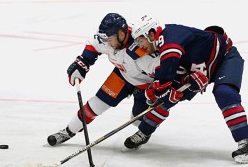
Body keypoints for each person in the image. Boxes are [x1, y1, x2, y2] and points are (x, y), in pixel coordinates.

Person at [124, 14, 248, 164]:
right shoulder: (160, 45)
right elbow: (173, 71)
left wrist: (160, 89)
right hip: (199, 68)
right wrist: (181, 83)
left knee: (225, 93)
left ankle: (246, 144)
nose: (139, 45)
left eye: (140, 40)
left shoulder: (169, 38)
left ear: (151, 34)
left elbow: (167, 71)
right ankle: (144, 132)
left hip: (225, 57)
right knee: (167, 99)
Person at [47, 13, 162, 149]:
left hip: (146, 85)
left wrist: (160, 87)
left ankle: (144, 132)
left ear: (121, 34)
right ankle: (68, 131)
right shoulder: (108, 40)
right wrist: (83, 62)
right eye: (105, 39)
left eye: (110, 39)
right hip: (122, 76)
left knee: (137, 118)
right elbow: (93, 44)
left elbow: (162, 69)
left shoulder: (141, 47)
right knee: (96, 104)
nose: (107, 43)